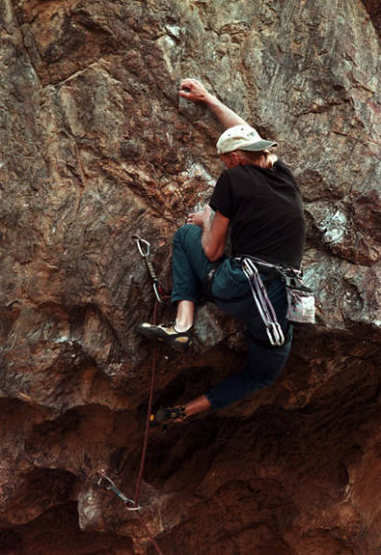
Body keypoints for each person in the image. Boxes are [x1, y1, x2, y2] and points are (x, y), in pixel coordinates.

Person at [136, 78, 306, 424]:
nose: (225, 165)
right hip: (285, 301)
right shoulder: (283, 175)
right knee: (262, 375)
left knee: (185, 236)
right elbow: (244, 130)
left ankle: (182, 324)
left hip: (243, 286)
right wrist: (209, 100)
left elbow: (212, 252)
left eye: (227, 160)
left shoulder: (233, 178)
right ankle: (185, 411)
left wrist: (206, 220)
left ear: (232, 159)